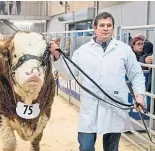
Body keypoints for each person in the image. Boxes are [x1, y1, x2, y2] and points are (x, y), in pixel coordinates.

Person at [50, 12, 146, 151]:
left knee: (112, 148)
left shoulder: (124, 50)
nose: (105, 28)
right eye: (102, 25)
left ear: (113, 28)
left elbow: (136, 74)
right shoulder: (82, 51)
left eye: (109, 25)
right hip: (90, 108)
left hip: (114, 106)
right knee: (86, 147)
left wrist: (140, 96)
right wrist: (58, 56)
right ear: (94, 28)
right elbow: (69, 74)